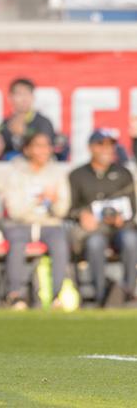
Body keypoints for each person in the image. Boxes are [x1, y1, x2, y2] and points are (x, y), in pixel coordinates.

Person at [0, 132, 71, 309]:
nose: (43, 151)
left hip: (49, 224)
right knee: (17, 245)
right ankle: (15, 294)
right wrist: (38, 200)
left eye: (46, 146)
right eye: (38, 146)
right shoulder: (15, 173)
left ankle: (57, 295)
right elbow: (15, 211)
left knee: (60, 244)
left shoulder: (57, 173)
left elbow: (62, 210)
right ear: (27, 149)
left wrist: (53, 202)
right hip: (21, 224)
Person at [68, 129, 137, 306]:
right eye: (101, 144)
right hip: (93, 230)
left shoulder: (123, 173)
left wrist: (123, 218)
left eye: (110, 144)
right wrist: (82, 215)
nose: (106, 149)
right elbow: (69, 208)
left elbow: (132, 208)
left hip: (119, 228)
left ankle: (127, 291)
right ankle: (101, 295)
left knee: (131, 240)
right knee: (95, 244)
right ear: (91, 147)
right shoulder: (77, 175)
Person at [0, 78, 65, 161]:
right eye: (19, 94)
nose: (24, 99)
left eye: (27, 94)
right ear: (10, 98)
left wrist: (23, 134)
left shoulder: (43, 122)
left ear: (33, 97)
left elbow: (47, 151)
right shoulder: (4, 125)